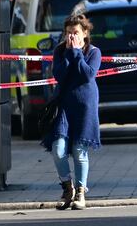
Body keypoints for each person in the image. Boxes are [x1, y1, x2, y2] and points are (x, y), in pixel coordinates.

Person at [43, 13, 101, 211]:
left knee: (79, 151)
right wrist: (69, 53)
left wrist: (76, 53)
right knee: (58, 150)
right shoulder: (60, 51)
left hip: (85, 106)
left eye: (75, 32)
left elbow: (87, 74)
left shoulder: (94, 52)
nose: (71, 36)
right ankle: (67, 187)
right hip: (64, 106)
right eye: (68, 33)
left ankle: (80, 192)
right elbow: (60, 74)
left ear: (85, 33)